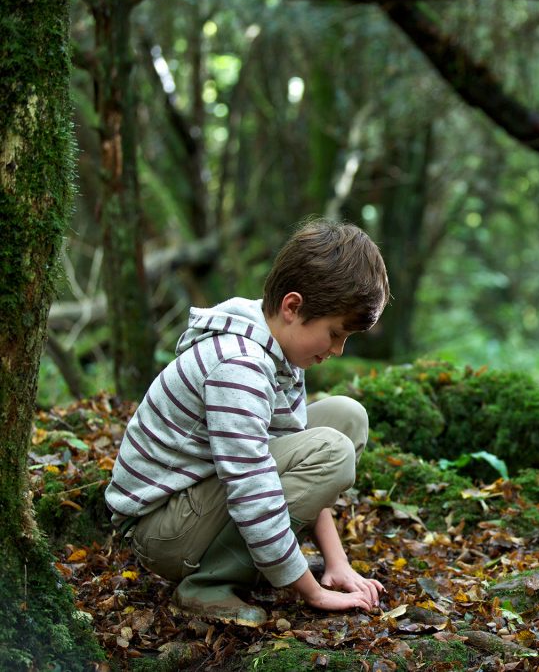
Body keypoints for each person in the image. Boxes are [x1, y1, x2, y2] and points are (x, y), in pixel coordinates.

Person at [105, 218, 389, 626]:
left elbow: (295, 449)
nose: (338, 350)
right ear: (293, 307)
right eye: (334, 333)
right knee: (332, 450)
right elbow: (251, 482)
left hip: (200, 500)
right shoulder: (239, 365)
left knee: (347, 418)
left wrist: (336, 564)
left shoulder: (279, 349)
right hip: (162, 529)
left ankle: (258, 558)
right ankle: (207, 584)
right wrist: (311, 591)